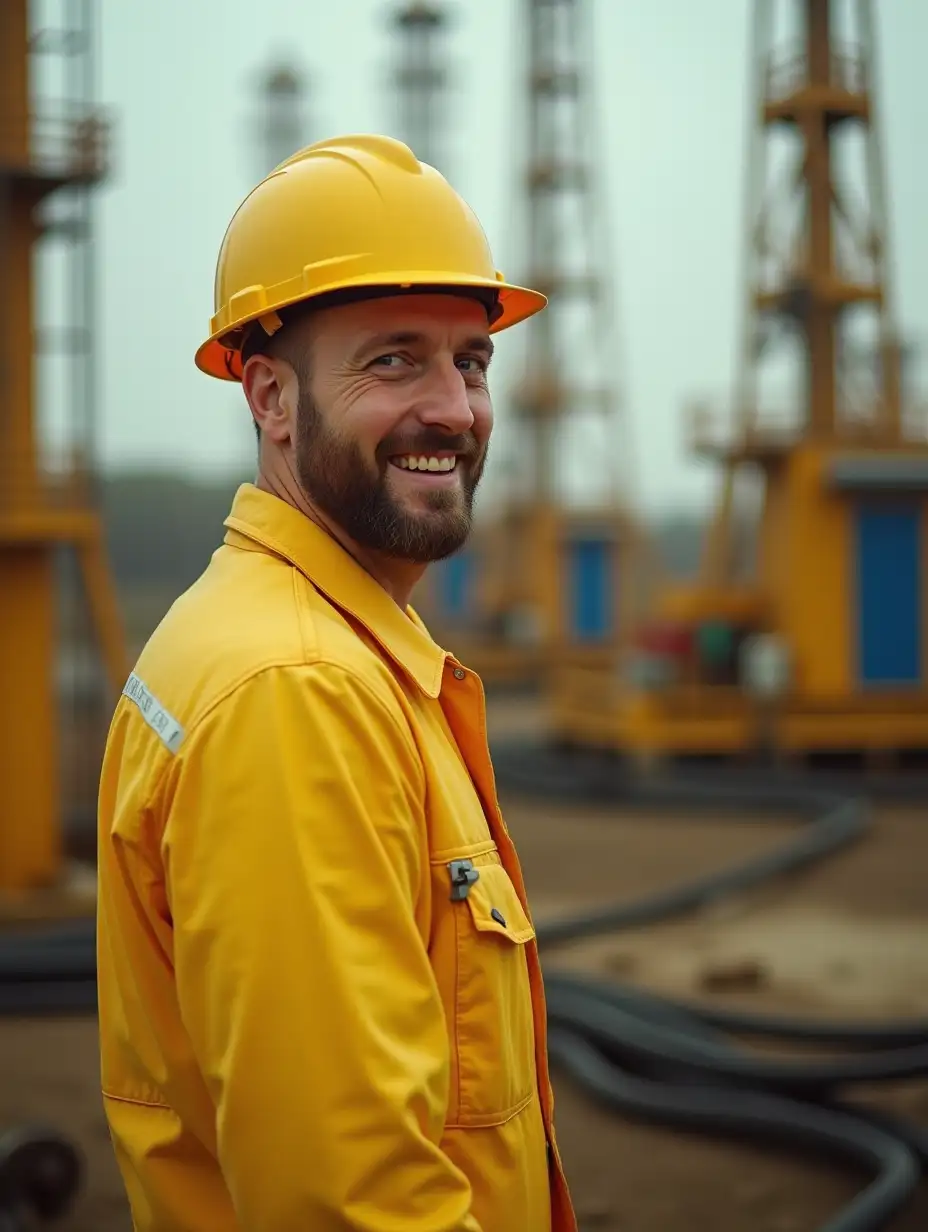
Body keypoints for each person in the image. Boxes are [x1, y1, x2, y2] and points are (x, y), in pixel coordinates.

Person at [96, 133, 577, 1232]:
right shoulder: (296, 687)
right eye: (394, 359)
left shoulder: (295, 640)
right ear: (270, 397)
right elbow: (349, 1201)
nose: (454, 408)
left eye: (471, 360)